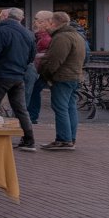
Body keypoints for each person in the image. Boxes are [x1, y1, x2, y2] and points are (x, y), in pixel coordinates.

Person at [0, 8, 37, 151]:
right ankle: (29, 140)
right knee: (21, 109)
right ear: (20, 19)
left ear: (5, 17)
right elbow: (31, 56)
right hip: (18, 75)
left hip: (0, 74)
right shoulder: (28, 33)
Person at [39, 11, 87, 151]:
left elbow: (54, 60)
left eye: (49, 22)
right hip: (74, 75)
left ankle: (63, 139)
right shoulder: (77, 35)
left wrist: (46, 75)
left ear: (54, 23)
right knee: (70, 108)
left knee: (61, 108)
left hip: (62, 77)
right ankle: (70, 138)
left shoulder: (62, 37)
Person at [25, 10, 54, 124]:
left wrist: (36, 57)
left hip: (42, 70)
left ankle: (32, 116)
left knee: (34, 91)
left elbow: (48, 53)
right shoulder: (39, 36)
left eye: (37, 20)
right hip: (39, 69)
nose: (35, 22)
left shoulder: (46, 37)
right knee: (34, 92)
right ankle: (32, 116)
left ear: (47, 22)